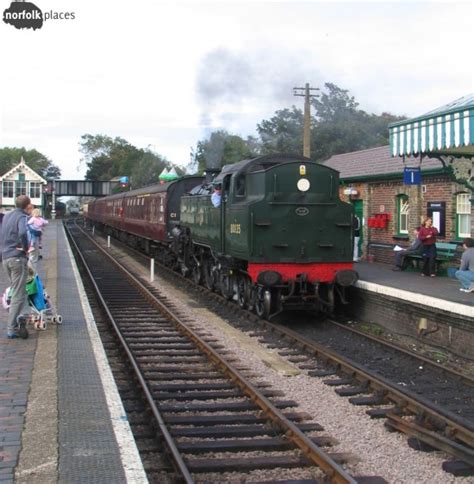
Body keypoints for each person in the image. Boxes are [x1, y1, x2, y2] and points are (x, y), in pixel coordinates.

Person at [0, 195, 31, 339]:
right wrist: (25, 248)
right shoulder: (22, 217)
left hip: (5, 257)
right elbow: (23, 233)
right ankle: (11, 328)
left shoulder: (6, 216)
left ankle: (20, 317)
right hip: (17, 258)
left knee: (16, 290)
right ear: (27, 205)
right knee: (18, 294)